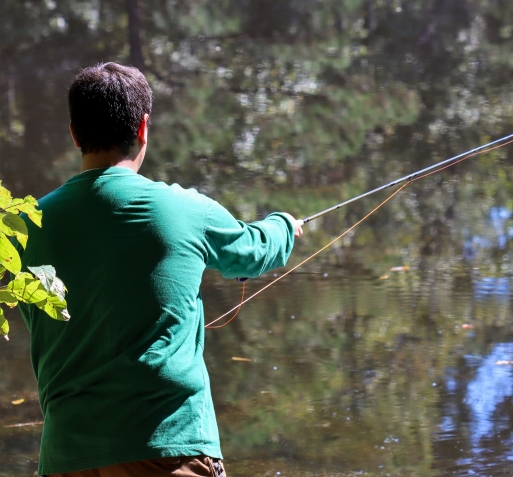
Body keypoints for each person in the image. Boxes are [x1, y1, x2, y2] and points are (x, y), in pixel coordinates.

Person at [19, 62, 304, 477]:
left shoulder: (24, 227)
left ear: (75, 133)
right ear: (143, 128)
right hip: (169, 448)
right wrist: (284, 226)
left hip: (68, 456)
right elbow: (253, 251)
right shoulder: (183, 209)